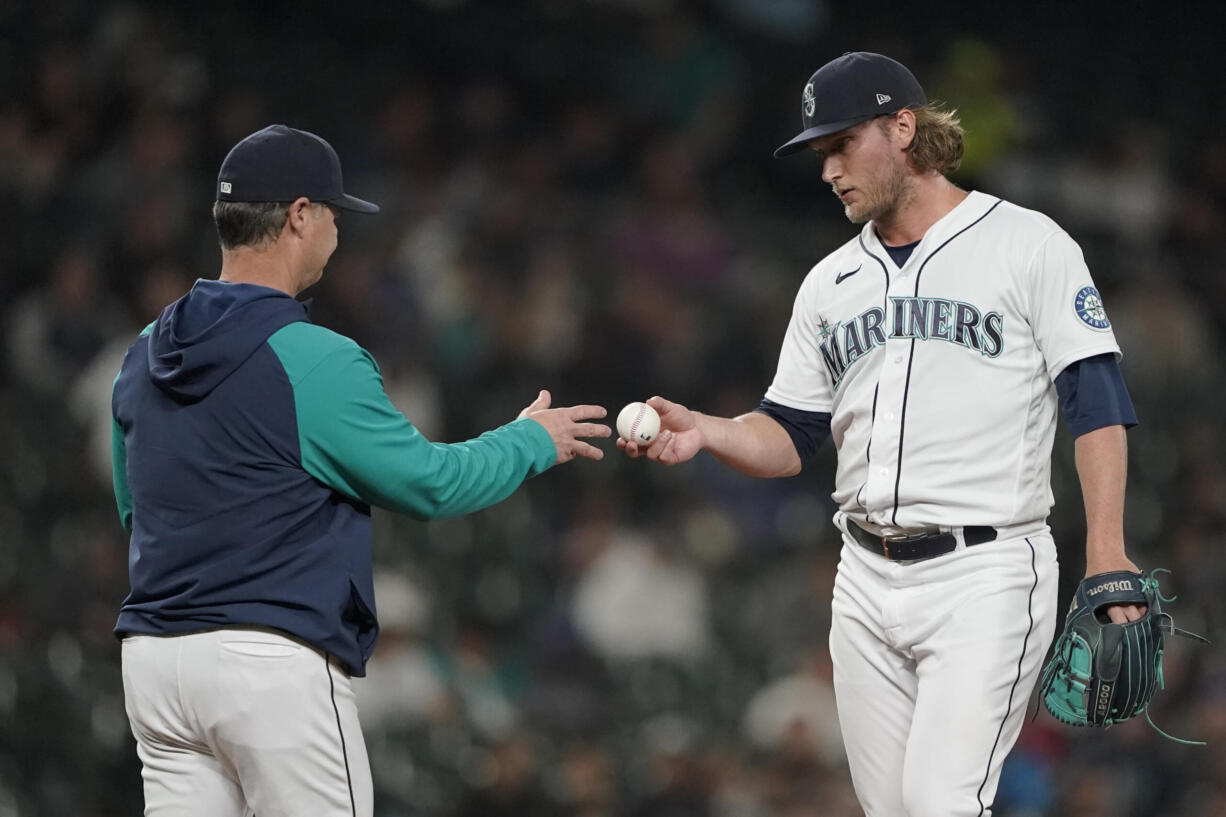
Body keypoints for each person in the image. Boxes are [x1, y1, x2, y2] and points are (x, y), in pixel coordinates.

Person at [620, 52, 1144, 816]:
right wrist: (707, 430)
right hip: (863, 576)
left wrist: (1106, 546)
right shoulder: (829, 282)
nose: (829, 168)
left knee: (939, 802)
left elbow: (1096, 401)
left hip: (986, 571)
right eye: (819, 153)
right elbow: (792, 435)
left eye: (841, 144)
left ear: (904, 128)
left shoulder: (1028, 245)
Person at [110, 124, 610, 817]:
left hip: (156, 664)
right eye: (334, 213)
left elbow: (136, 508)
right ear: (300, 216)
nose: (339, 231)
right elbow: (431, 482)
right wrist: (530, 439)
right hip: (270, 666)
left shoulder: (140, 352)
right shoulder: (311, 357)